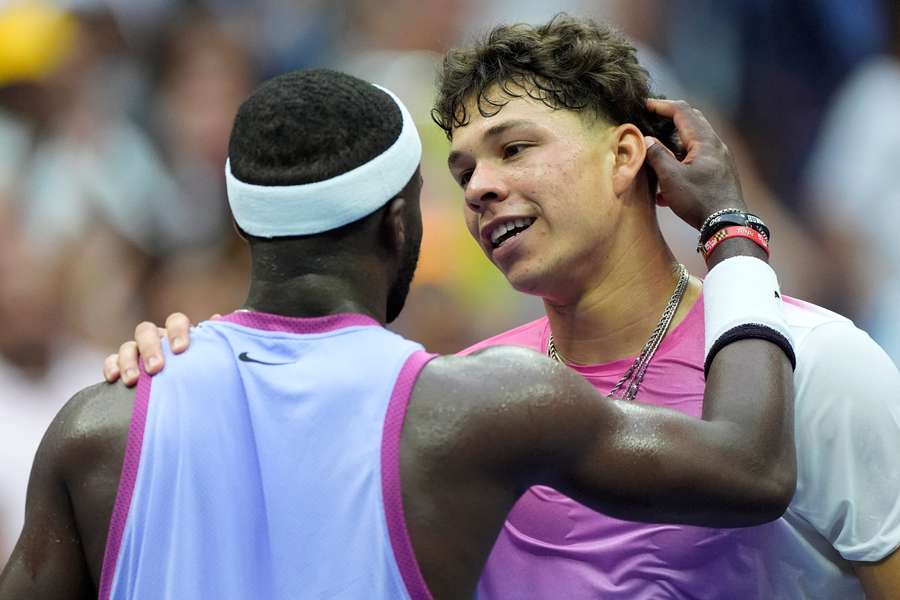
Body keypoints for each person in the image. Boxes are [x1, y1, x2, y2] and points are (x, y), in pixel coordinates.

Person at [117, 16, 900, 599]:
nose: (481, 186)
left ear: (627, 155)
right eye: (462, 172)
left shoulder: (823, 365)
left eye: (515, 148)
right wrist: (191, 363)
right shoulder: (455, 397)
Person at [0, 69, 798, 599]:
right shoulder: (482, 408)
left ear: (250, 229)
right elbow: (754, 469)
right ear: (398, 223)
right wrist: (731, 229)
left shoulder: (96, 427)